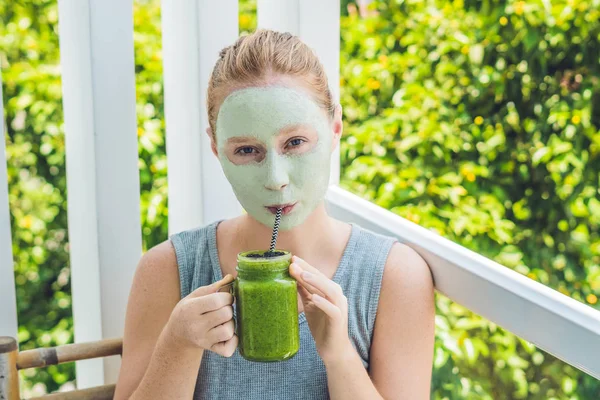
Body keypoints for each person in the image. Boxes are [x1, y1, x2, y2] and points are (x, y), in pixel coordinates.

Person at [114, 29, 435, 400]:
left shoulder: (395, 277)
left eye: (295, 143)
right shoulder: (168, 269)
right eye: (247, 150)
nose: (276, 180)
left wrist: (340, 357)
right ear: (216, 147)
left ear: (334, 129)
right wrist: (178, 344)